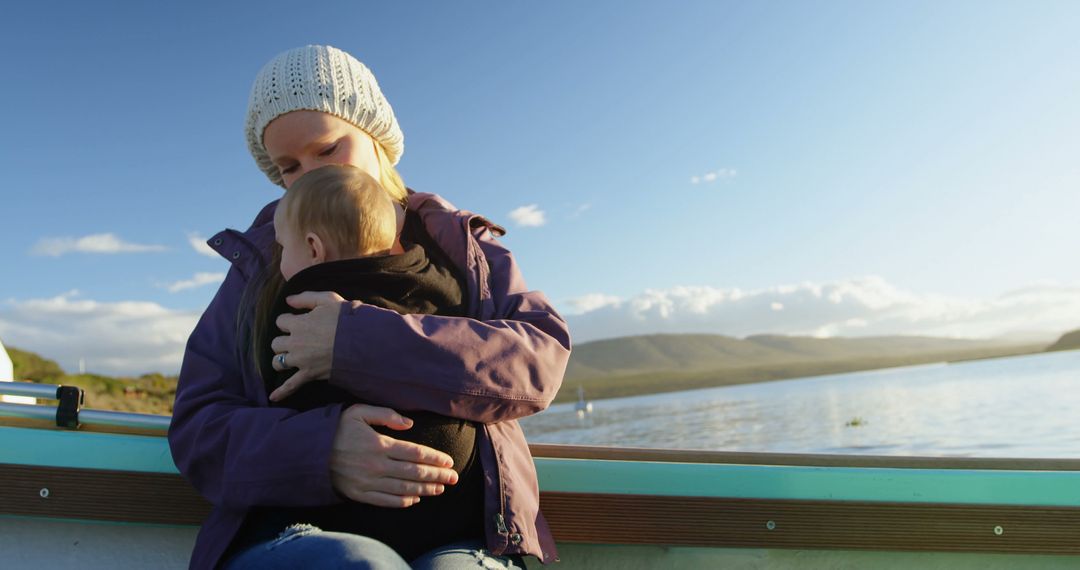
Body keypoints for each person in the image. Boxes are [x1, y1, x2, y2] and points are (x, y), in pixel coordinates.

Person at [168, 44, 570, 569]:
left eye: (327, 149)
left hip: (467, 539)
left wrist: (353, 342)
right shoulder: (261, 264)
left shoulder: (460, 245)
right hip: (295, 532)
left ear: (377, 137)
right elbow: (198, 428)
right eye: (287, 167)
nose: (308, 175)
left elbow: (537, 364)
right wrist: (322, 451)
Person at [239, 164, 483, 561]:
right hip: (452, 509)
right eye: (288, 164)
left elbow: (275, 388)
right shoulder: (438, 282)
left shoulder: (300, 301)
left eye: (284, 248)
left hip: (352, 514)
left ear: (314, 248)